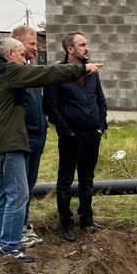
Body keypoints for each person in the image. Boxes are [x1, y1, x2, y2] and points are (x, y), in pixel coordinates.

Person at [0, 37, 102, 262]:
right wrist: (80, 69)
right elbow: (46, 74)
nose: (25, 60)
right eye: (23, 55)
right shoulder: (7, 71)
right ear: (11, 54)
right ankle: (9, 247)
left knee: (3, 196)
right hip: (9, 143)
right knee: (19, 195)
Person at [43, 32, 107, 243]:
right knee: (66, 180)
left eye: (86, 44)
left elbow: (100, 99)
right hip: (72, 137)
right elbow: (51, 107)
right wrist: (66, 132)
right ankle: (66, 222)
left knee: (87, 179)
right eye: (82, 45)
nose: (87, 48)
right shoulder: (58, 73)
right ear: (70, 49)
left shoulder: (92, 73)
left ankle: (86, 219)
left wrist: (101, 126)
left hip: (92, 134)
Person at [11, 26, 46, 248]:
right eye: (32, 44)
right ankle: (16, 231)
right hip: (22, 139)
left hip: (38, 136)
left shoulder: (32, 70)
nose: (36, 48)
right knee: (18, 189)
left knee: (29, 185)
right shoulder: (13, 72)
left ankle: (23, 224)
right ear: (18, 44)